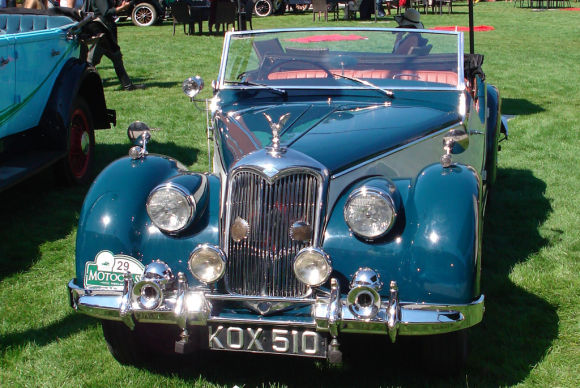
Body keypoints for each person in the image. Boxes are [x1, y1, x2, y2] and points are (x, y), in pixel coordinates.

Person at [85, 0, 145, 91]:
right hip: (102, 31)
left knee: (116, 57)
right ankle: (82, 86)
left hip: (106, 29)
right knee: (91, 61)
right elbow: (106, 12)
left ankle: (127, 85)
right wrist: (122, 8)